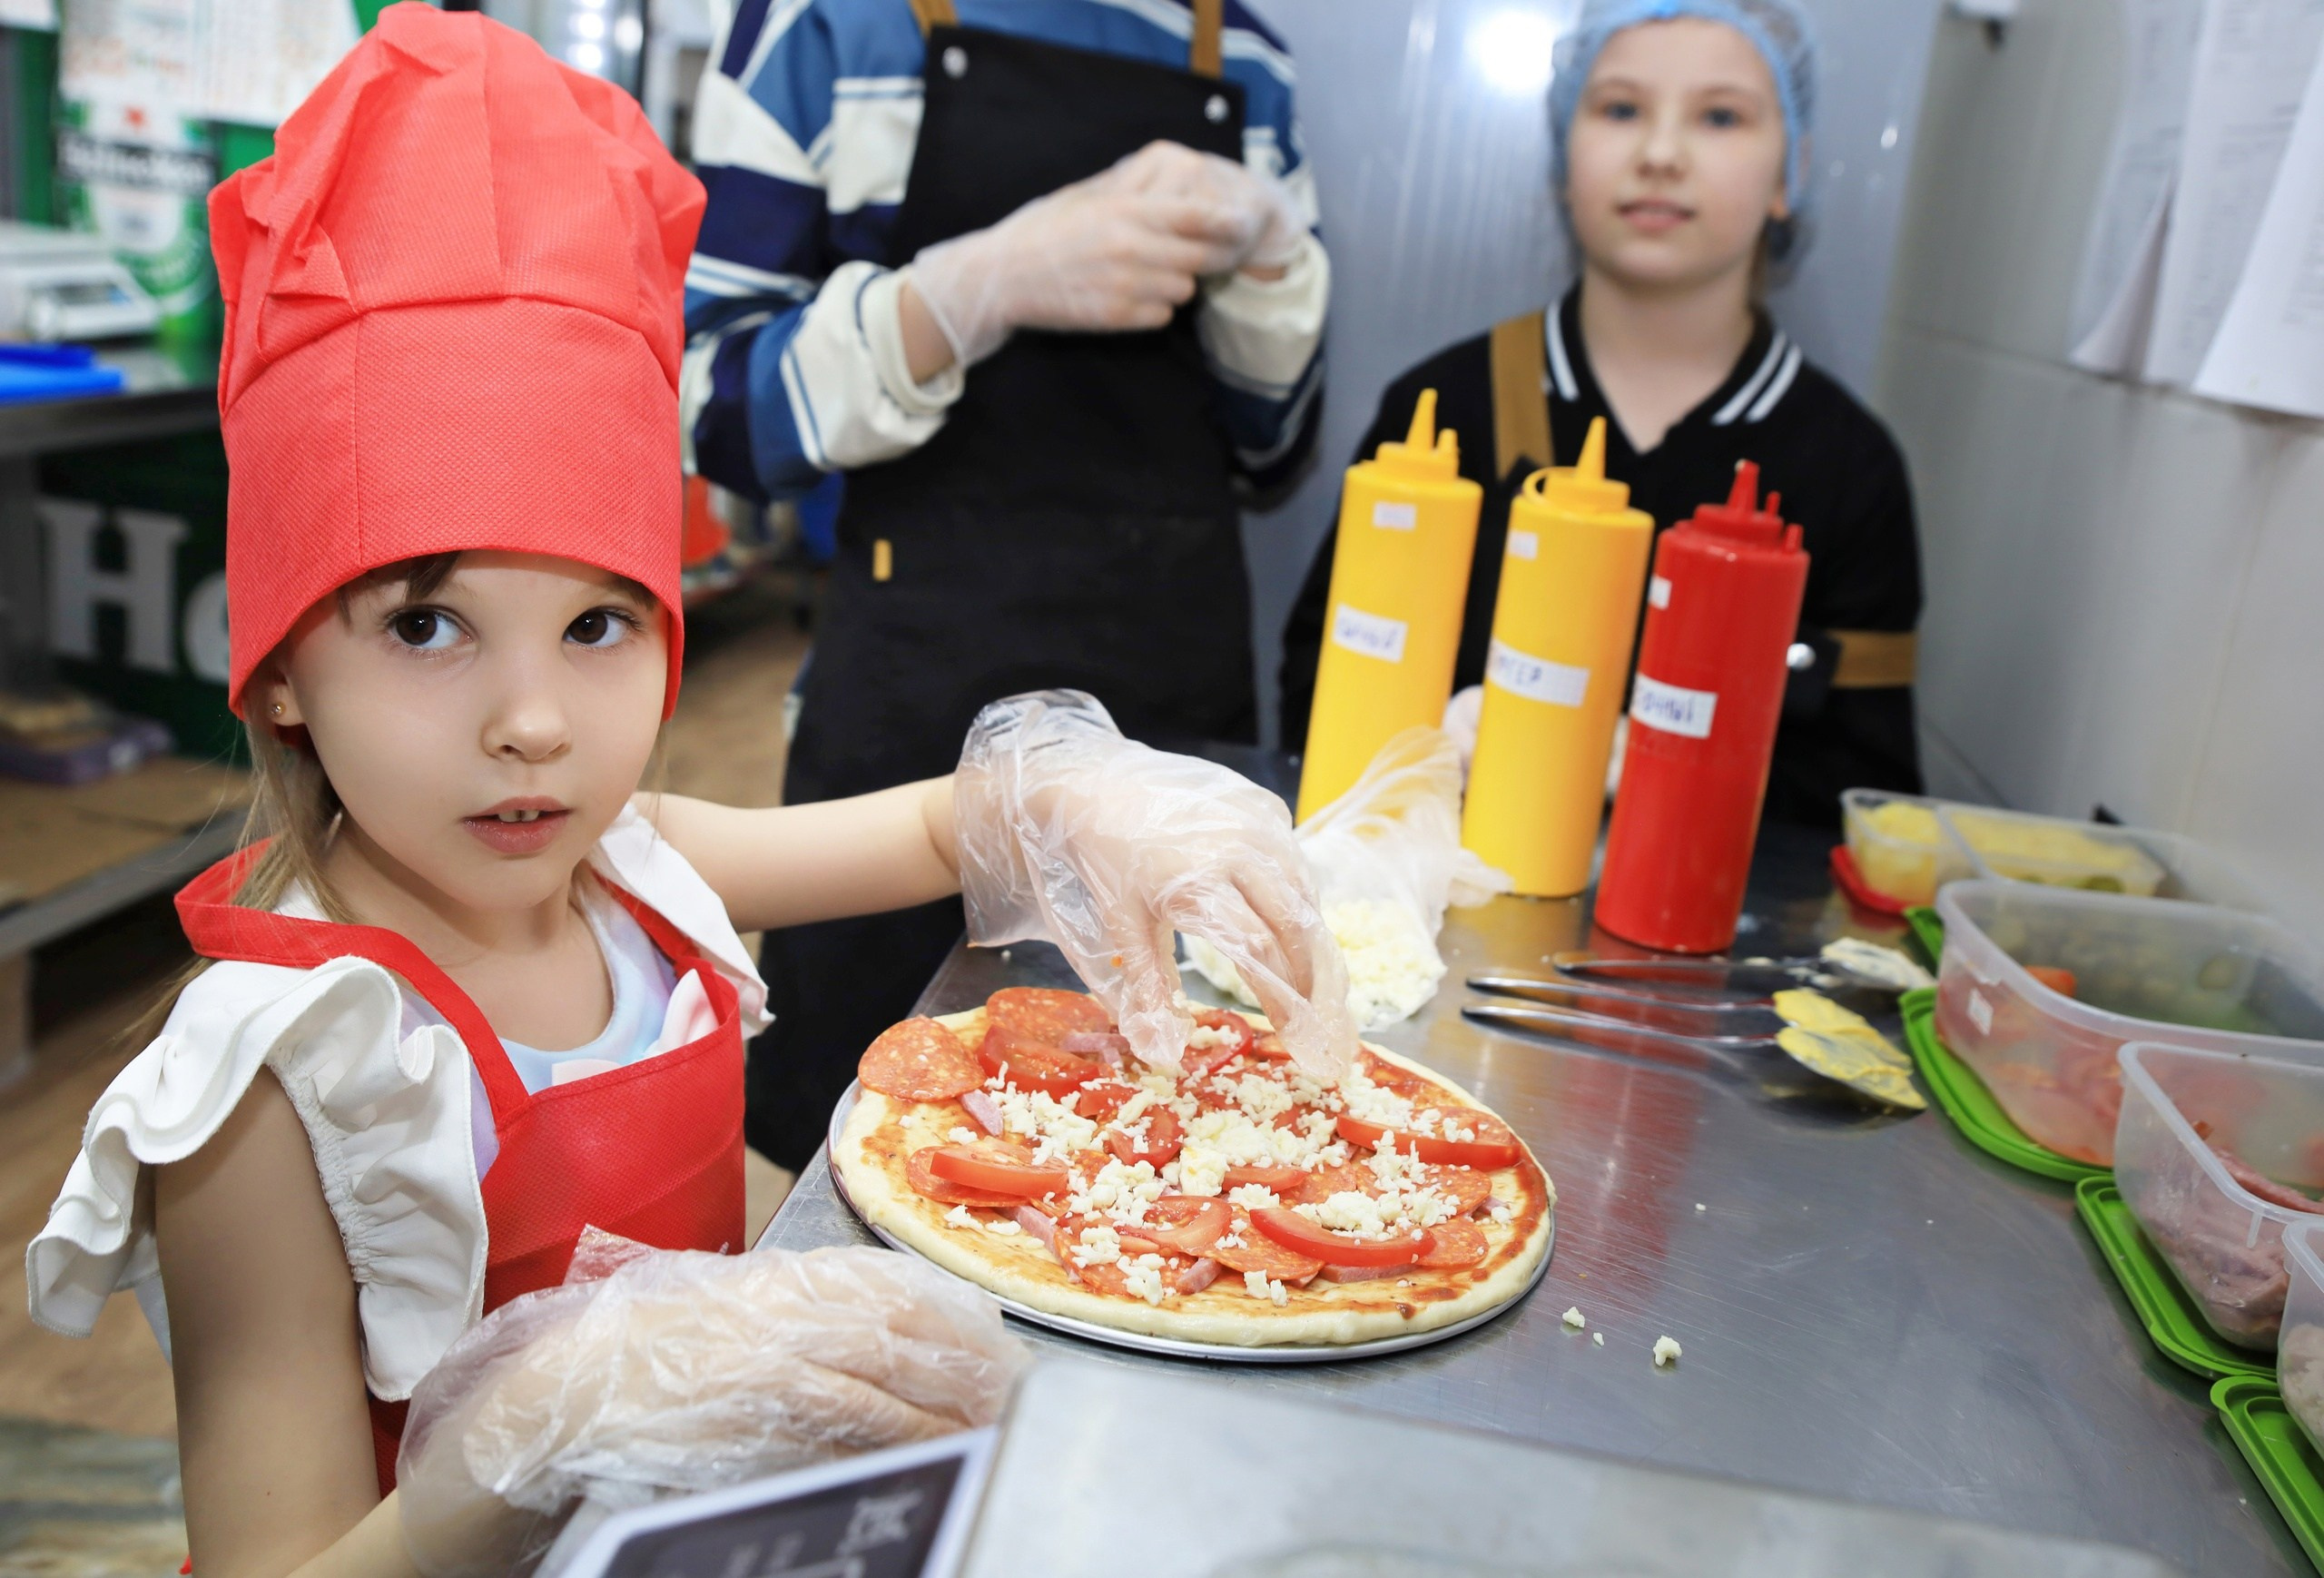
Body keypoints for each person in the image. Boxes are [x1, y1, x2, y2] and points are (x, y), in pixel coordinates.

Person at [25, 13, 1352, 1573]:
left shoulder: (633, 875)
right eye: (427, 625)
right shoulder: (279, 1082)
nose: (534, 725)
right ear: (277, 670)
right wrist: (529, 1435)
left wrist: (1060, 793)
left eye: (598, 624)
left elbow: (940, 827)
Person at [683, 0, 1332, 1169]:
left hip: (1167, 695)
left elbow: (1274, 445)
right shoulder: (827, 24)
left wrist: (1273, 253)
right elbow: (713, 405)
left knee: (1186, 1160)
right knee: (864, 1157)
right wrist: (962, 293)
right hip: (911, 713)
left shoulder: (1242, 54)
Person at [1281, 0, 1921, 829]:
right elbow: (1313, 688)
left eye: (1720, 117)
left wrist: (1681, 773)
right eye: (1621, 109)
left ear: (1788, 172)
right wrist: (1420, 748)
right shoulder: (1443, 416)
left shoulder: (1846, 465)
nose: (1660, 154)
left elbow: (1867, 800)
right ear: (1563, 152)